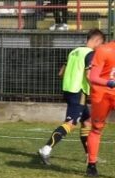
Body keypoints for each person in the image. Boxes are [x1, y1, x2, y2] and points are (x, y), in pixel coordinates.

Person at [38, 28, 103, 166]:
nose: (100, 47)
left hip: (68, 90)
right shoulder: (90, 54)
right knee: (70, 123)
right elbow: (88, 75)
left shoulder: (74, 51)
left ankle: (89, 156)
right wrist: (98, 87)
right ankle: (46, 149)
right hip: (78, 92)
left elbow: (61, 73)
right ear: (96, 41)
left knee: (87, 122)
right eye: (101, 44)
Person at [84, 36, 115, 177]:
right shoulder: (104, 50)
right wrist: (109, 83)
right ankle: (91, 165)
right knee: (96, 128)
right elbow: (93, 77)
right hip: (101, 94)